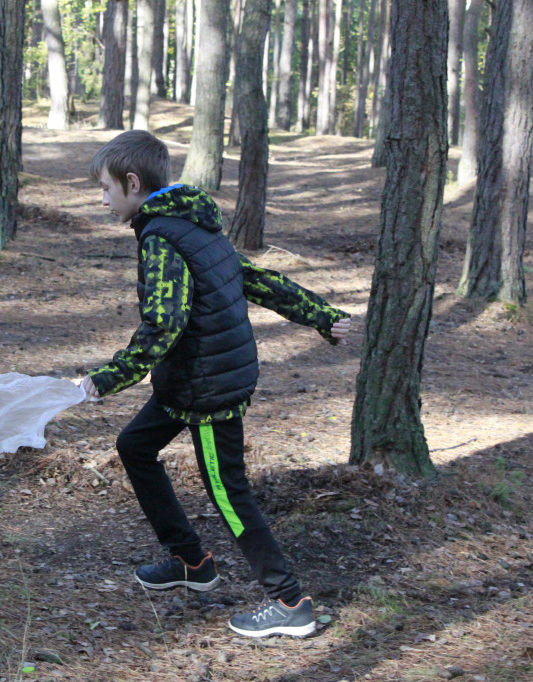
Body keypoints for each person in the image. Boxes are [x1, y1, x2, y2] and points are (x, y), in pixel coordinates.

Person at [78, 130, 351, 639]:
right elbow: (253, 277)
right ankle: (190, 561)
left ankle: (289, 602)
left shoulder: (164, 236)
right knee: (134, 446)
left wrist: (107, 379)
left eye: (106, 189)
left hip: (207, 390)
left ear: (132, 183)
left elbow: (164, 323)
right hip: (188, 381)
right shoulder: (194, 224)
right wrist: (320, 314)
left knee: (228, 492)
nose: (102, 199)